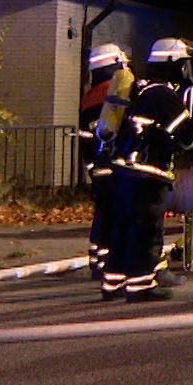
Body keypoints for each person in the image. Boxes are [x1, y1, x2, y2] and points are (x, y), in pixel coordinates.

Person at [107, 38, 193, 301]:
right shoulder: (163, 95)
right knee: (148, 230)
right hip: (148, 173)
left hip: (124, 170)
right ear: (172, 65)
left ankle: (112, 283)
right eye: (183, 64)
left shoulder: (138, 89)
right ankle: (141, 286)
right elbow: (184, 134)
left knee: (123, 228)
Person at [80, 44, 131, 293]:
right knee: (117, 215)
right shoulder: (112, 93)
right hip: (114, 166)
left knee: (102, 215)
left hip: (97, 167)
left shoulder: (89, 96)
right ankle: (112, 264)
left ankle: (97, 261)